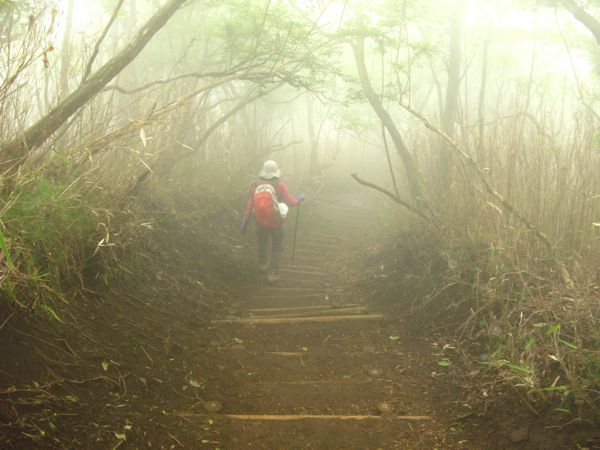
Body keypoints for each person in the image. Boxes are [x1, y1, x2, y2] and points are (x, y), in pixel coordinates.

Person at [241, 160, 304, 282]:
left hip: (260, 222)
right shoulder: (280, 186)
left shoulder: (256, 185)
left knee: (262, 244)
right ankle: (272, 273)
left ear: (263, 171)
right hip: (276, 223)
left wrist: (245, 220)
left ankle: (263, 265)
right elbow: (289, 202)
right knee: (277, 247)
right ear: (276, 173)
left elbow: (250, 203)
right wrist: (299, 199)